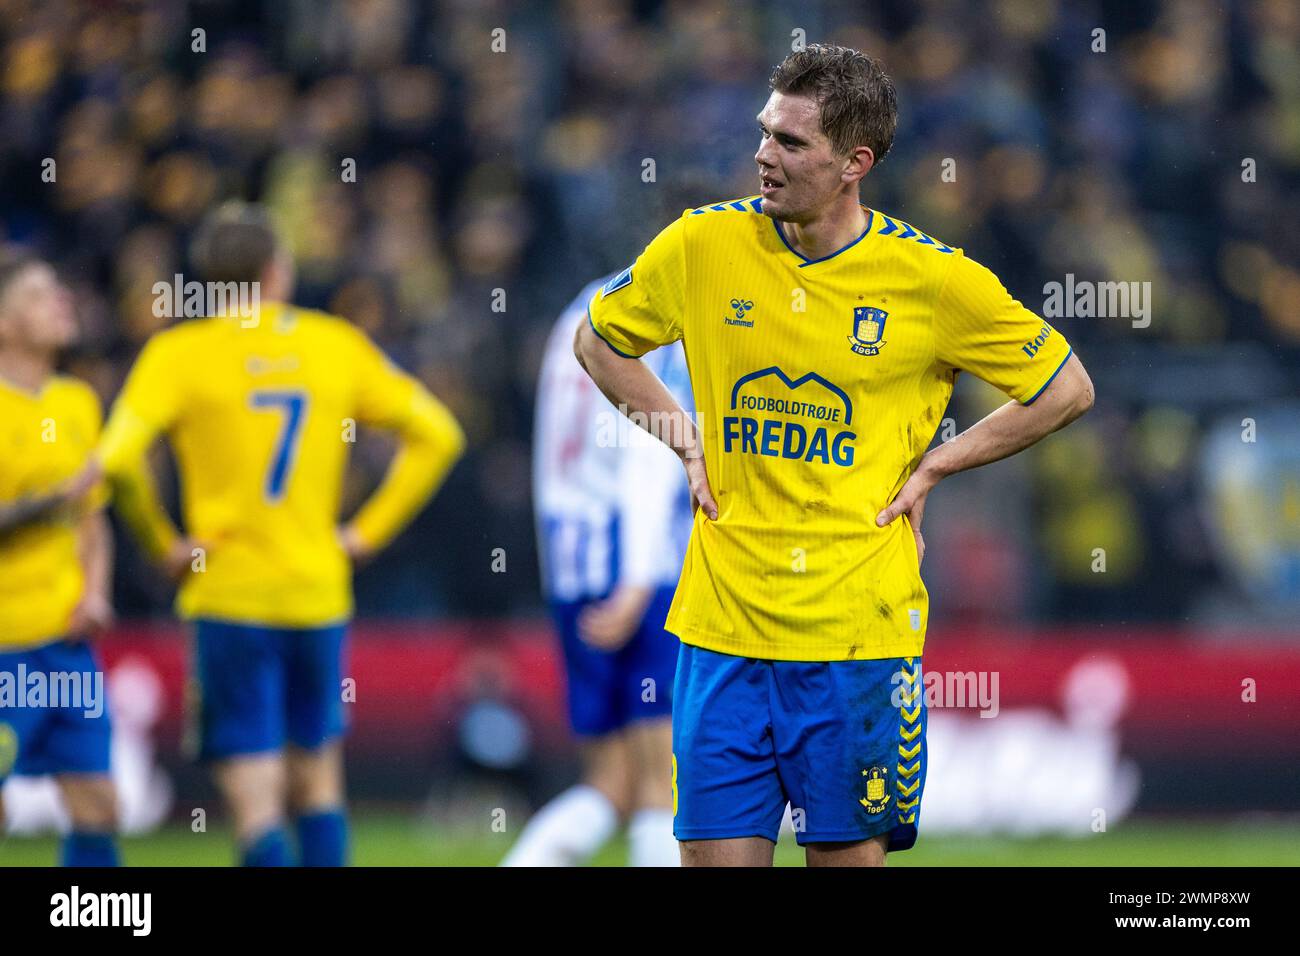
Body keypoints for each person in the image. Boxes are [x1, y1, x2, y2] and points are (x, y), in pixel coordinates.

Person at [574, 44, 1095, 867]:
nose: (762, 155)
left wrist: (937, 465)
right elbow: (599, 341)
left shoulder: (931, 281)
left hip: (858, 642)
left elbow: (1065, 387)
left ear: (855, 162)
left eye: (789, 142)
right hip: (722, 636)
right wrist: (683, 435)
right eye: (764, 131)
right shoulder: (701, 246)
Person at [96, 202, 466, 866]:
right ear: (278, 270)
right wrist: (367, 533)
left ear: (208, 280)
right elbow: (439, 435)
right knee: (319, 780)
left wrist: (161, 543)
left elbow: (117, 459)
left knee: (256, 796)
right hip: (315, 588)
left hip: (228, 592)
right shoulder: (333, 344)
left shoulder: (177, 356)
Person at [502, 274, 693, 866]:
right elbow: (651, 450)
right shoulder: (658, 322)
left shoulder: (575, 311)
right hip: (637, 567)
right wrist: (638, 582)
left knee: (609, 782)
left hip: (572, 567)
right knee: (663, 783)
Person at [0, 253, 119, 866]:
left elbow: (93, 520)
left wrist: (94, 593)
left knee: (99, 802)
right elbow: (64, 503)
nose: (62, 302)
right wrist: (49, 503)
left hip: (67, 643)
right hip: (4, 645)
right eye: (41, 295)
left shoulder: (77, 401)